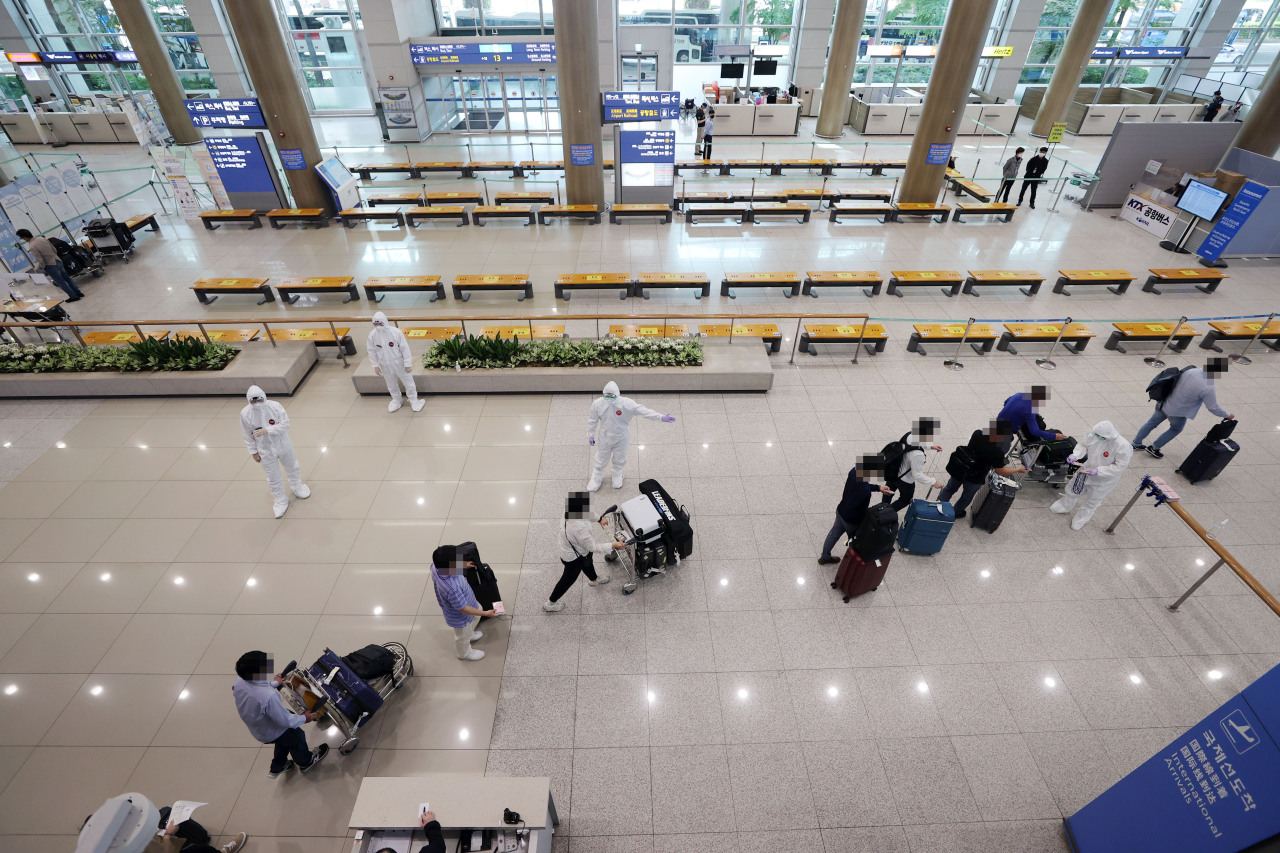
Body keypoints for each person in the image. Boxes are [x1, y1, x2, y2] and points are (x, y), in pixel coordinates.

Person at [232, 650, 328, 779]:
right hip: (274, 727)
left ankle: (278, 766)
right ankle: (306, 762)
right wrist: (304, 718)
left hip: (261, 727)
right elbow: (286, 721)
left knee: (283, 741)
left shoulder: (241, 680)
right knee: (296, 737)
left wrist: (275, 683)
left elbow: (258, 686)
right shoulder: (268, 697)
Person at [1133, 358, 1234, 459]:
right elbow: (1213, 407)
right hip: (1178, 412)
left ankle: (1136, 443)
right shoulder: (1208, 387)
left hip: (1164, 402)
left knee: (1151, 423)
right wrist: (1227, 415)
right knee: (1176, 429)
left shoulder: (1191, 371)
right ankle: (1154, 447)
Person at [586, 380, 675, 491]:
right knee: (601, 457)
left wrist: (660, 417)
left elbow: (643, 411)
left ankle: (617, 474)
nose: (609, 398)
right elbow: (592, 420)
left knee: (620, 457)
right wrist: (590, 434)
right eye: (606, 395)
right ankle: (596, 477)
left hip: (622, 437)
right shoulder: (598, 404)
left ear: (617, 394)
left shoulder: (626, 404)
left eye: (611, 395)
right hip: (605, 437)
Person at [544, 491, 625, 612]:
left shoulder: (571, 510)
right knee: (568, 579)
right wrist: (613, 545)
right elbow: (593, 547)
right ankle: (550, 603)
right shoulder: (578, 528)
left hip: (580, 551)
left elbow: (587, 513)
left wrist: (599, 519)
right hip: (573, 558)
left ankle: (594, 579)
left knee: (588, 563)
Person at [241, 385, 310, 518]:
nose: (257, 403)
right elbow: (246, 434)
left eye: (259, 399)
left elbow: (286, 424)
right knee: (273, 476)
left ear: (264, 397)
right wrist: (253, 451)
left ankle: (297, 487)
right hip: (264, 448)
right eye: (253, 401)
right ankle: (280, 500)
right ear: (249, 400)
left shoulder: (275, 406)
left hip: (282, 443)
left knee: (292, 466)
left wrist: (268, 430)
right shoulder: (245, 413)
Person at [1050, 420, 1132, 530]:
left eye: (1100, 435)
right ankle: (1064, 505)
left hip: (1104, 480)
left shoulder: (1123, 446)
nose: (1097, 436)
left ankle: (1081, 519)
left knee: (1092, 501)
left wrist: (1099, 471)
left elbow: (1119, 467)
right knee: (1073, 488)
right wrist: (1075, 455)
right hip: (1086, 469)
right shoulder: (1094, 435)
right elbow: (1083, 445)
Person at [939, 420, 1027, 519]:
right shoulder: (997, 452)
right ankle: (956, 512)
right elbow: (1000, 471)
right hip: (975, 477)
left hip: (961, 468)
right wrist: (1018, 470)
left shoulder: (977, 434)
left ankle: (939, 508)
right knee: (967, 496)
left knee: (950, 488)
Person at [430, 544, 496, 661]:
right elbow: (463, 609)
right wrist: (486, 613)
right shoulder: (452, 588)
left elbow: (447, 565)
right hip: (461, 616)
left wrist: (462, 565)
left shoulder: (436, 567)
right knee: (462, 637)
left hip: (468, 601)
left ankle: (470, 634)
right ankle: (464, 654)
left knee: (475, 617)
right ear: (450, 567)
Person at [818, 466, 893, 564]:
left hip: (841, 509)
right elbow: (863, 510)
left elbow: (862, 485)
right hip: (851, 520)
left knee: (833, 534)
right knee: (854, 541)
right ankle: (851, 564)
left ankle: (825, 557)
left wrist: (878, 488)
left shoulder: (854, 471)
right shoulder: (866, 492)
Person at [368, 311, 424, 413]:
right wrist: (375, 365)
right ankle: (397, 400)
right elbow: (371, 351)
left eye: (379, 323)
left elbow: (404, 349)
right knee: (391, 384)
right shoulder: (372, 335)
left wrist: (407, 364)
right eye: (375, 324)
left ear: (384, 322)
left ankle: (414, 400)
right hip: (384, 365)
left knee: (408, 383)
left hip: (399, 363)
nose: (378, 326)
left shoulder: (395, 332)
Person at [882, 418, 943, 511]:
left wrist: (930, 446)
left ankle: (882, 507)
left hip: (894, 469)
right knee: (905, 499)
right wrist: (933, 482)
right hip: (904, 479)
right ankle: (885, 514)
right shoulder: (918, 454)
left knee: (888, 491)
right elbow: (917, 475)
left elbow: (913, 444)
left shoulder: (909, 434)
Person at [17, 228, 83, 301]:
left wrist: (43, 267)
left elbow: (40, 260)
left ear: (24, 237)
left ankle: (73, 296)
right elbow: (54, 249)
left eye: (21, 238)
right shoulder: (42, 239)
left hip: (50, 265)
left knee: (61, 282)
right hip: (57, 260)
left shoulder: (32, 246)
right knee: (67, 278)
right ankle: (78, 293)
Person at [997, 386, 1068, 444]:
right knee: (1004, 443)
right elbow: (1034, 431)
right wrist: (1054, 436)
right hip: (1006, 428)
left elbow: (1005, 402)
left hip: (999, 418)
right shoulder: (1030, 410)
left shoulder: (1019, 394)